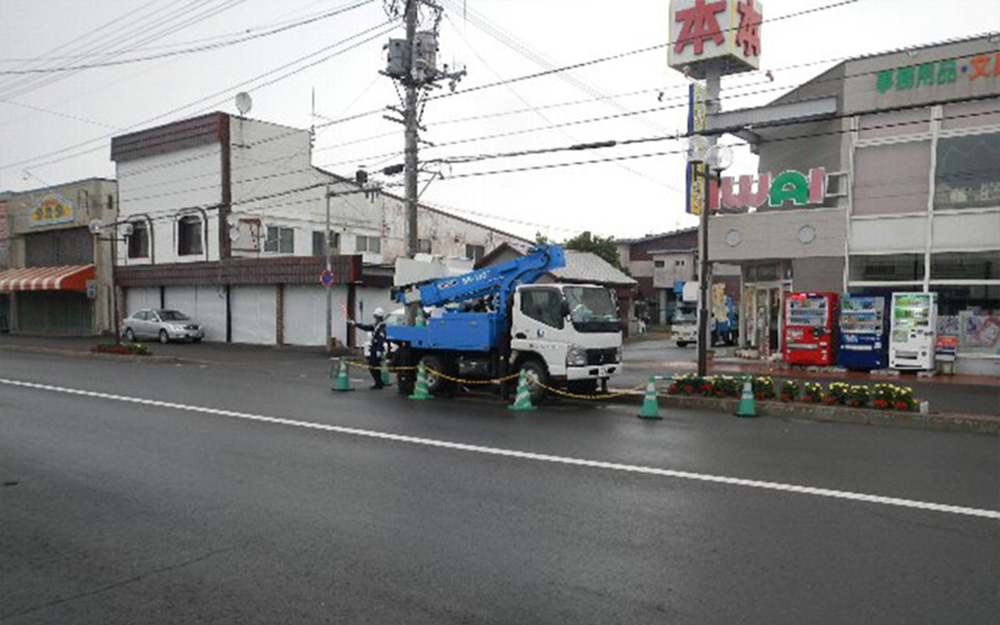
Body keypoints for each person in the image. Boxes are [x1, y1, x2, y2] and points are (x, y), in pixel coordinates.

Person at [349, 308, 387, 389]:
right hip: (374, 348)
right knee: (375, 366)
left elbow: (381, 338)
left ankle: (378, 383)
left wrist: (379, 350)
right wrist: (355, 324)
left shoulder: (381, 326)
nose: (375, 318)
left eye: (375, 316)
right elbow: (366, 327)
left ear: (378, 316)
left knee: (373, 366)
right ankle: (379, 382)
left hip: (377, 349)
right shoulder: (376, 325)